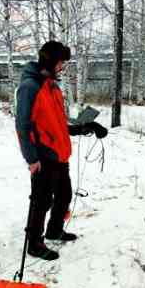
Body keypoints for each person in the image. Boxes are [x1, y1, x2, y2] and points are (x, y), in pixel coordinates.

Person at [15, 41, 108, 261]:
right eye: (61, 62)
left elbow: (57, 125)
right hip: (43, 157)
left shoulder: (52, 87)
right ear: (50, 61)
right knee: (41, 201)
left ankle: (54, 230)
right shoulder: (30, 87)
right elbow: (22, 126)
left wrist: (86, 127)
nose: (63, 67)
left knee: (64, 196)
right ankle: (35, 244)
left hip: (60, 155)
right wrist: (31, 158)